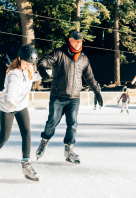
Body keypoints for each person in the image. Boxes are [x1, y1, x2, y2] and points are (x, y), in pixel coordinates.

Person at [35, 30, 103, 164]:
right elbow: (44, 61)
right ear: (70, 39)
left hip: (74, 98)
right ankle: (44, 141)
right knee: (52, 122)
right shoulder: (59, 53)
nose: (78, 43)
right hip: (57, 96)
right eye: (76, 40)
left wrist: (97, 92)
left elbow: (90, 78)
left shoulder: (84, 58)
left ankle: (69, 150)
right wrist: (42, 69)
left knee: (72, 124)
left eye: (80, 41)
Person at [0, 46, 46, 181]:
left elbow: (31, 78)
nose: (29, 66)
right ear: (19, 59)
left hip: (21, 106)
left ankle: (26, 165)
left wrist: (46, 73)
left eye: (31, 64)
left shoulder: (28, 70)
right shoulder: (13, 74)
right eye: (26, 63)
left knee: (27, 134)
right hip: (8, 107)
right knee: (4, 137)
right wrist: (11, 101)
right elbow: (10, 92)